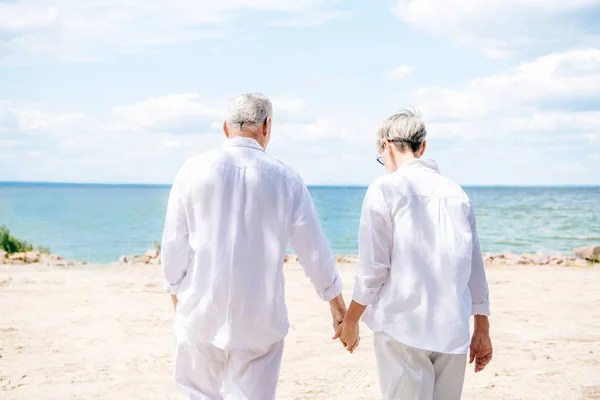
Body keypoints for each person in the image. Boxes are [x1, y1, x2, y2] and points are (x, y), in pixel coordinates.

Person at [161, 93, 346, 400]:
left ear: (225, 128)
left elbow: (173, 241)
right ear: (266, 126)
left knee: (196, 394)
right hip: (261, 315)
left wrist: (175, 294)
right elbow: (313, 249)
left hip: (200, 305)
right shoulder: (286, 178)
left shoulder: (192, 170)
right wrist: (336, 305)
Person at [334, 110, 493, 400]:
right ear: (423, 147)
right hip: (451, 328)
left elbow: (374, 269)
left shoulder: (384, 189)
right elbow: (475, 269)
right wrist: (481, 328)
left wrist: (351, 321)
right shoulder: (456, 192)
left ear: (387, 146)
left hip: (402, 328)